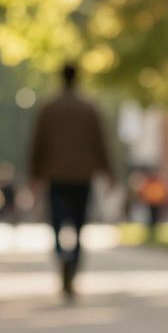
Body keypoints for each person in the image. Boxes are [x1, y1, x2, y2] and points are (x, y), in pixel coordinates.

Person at [28, 63, 115, 297]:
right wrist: (109, 173)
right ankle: (73, 263)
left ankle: (61, 256)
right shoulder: (89, 108)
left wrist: (34, 175)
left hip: (55, 175)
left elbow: (38, 144)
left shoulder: (49, 108)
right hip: (82, 176)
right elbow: (101, 143)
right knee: (78, 225)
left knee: (56, 223)